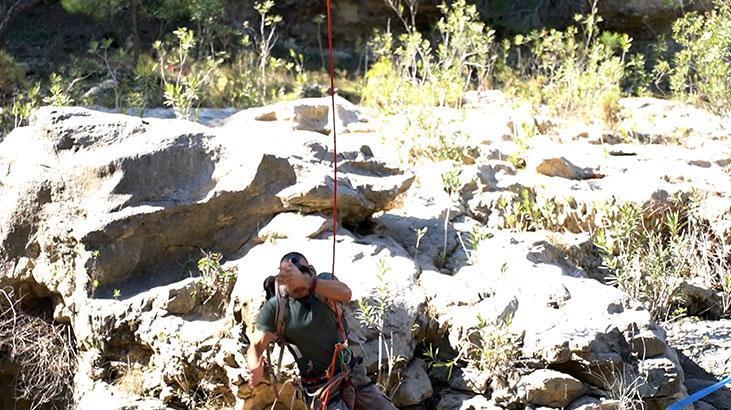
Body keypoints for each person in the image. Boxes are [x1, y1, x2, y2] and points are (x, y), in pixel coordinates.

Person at [246, 252, 397, 410]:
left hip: (352, 372)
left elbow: (346, 293)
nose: (298, 287)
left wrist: (309, 282)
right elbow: (255, 347)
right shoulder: (276, 308)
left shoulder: (323, 283)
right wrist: (254, 367)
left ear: (310, 271)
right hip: (321, 388)